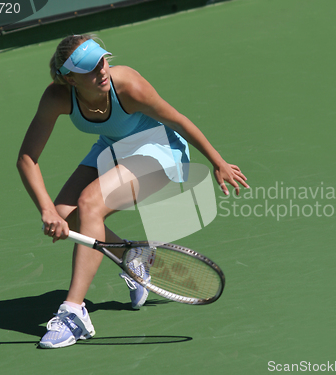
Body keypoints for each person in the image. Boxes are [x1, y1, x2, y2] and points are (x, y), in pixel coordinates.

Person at [17, 34, 248, 349]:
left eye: (102, 60)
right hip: (113, 148)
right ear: (69, 78)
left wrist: (218, 161)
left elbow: (177, 120)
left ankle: (74, 312)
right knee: (64, 214)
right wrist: (45, 209)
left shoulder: (127, 85)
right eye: (89, 68)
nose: (101, 70)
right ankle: (133, 256)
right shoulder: (57, 97)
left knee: (89, 205)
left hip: (159, 150)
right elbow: (27, 158)